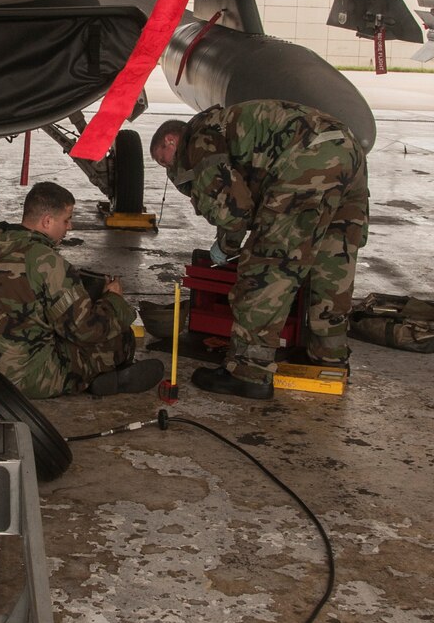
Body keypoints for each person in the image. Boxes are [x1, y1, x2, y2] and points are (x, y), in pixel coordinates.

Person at [151, 100, 369, 400]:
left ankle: (248, 371)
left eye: (164, 161)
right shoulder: (226, 125)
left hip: (307, 157)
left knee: (268, 264)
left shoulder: (198, 138)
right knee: (332, 259)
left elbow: (234, 209)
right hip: (347, 149)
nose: (170, 171)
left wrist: (225, 245)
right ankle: (329, 357)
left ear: (171, 140)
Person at [0, 181, 165, 400]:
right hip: (23, 379)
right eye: (67, 220)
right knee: (120, 339)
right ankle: (102, 380)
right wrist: (113, 300)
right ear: (47, 221)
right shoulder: (45, 261)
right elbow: (85, 329)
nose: (70, 227)